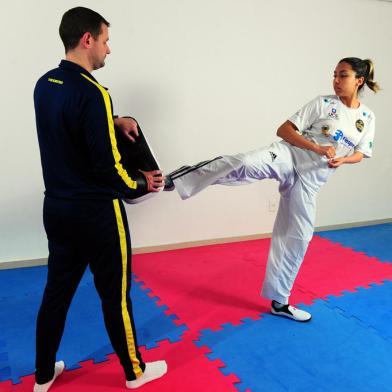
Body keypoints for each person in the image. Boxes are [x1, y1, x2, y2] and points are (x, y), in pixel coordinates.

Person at [165, 57, 379, 322]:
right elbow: (284, 130)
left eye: (342, 75)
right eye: (334, 74)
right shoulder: (323, 103)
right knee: (243, 163)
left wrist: (343, 159)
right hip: (288, 156)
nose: (336, 80)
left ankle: (280, 301)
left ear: (359, 80)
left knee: (300, 236)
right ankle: (175, 180)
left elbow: (360, 153)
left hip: (311, 180)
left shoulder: (367, 117)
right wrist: (316, 148)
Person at [33, 7, 167, 392]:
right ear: (87, 39)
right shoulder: (94, 93)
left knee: (56, 293)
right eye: (105, 40)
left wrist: (113, 120)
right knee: (116, 296)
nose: (109, 49)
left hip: (56, 209)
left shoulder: (45, 84)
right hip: (97, 213)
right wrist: (142, 183)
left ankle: (42, 377)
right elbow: (110, 170)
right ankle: (135, 373)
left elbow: (68, 132)